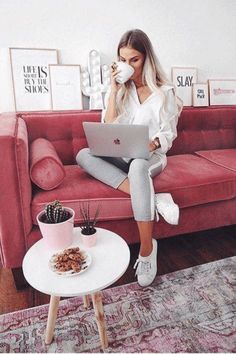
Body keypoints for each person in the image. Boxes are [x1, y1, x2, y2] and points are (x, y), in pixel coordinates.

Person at [76, 29, 182, 287]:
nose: (128, 65)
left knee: (138, 167)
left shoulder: (164, 92)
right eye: (123, 60)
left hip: (151, 156)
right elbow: (109, 125)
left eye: (134, 59)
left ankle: (147, 251)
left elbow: (169, 134)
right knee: (83, 154)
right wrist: (113, 90)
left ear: (147, 58)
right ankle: (151, 198)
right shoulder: (121, 90)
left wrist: (152, 142)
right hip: (122, 154)